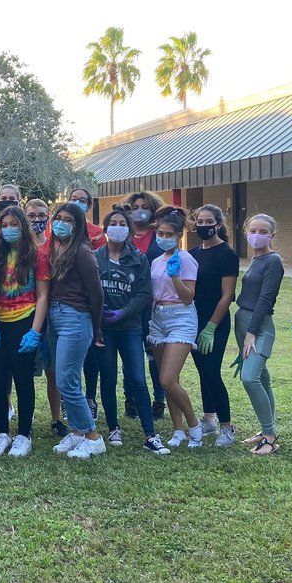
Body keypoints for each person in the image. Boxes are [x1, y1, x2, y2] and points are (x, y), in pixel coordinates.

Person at [94, 207, 169, 456]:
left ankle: (150, 434)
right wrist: (97, 318)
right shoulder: (95, 257)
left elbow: (143, 293)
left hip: (129, 328)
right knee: (107, 379)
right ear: (105, 229)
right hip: (104, 329)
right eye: (113, 223)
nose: (118, 226)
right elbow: (88, 291)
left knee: (137, 378)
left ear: (128, 229)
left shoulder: (139, 258)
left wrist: (123, 312)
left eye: (122, 223)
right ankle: (113, 427)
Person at [0, 205, 48, 458]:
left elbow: (43, 296)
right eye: (5, 225)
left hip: (24, 321)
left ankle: (23, 434)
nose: (9, 230)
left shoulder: (37, 256)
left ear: (23, 226)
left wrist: (35, 331)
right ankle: (1, 432)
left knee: (23, 379)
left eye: (14, 225)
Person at [47, 203, 107, 460]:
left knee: (66, 380)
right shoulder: (60, 249)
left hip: (76, 318)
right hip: (57, 317)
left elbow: (97, 294)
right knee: (70, 380)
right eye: (58, 218)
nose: (61, 223)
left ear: (77, 224)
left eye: (67, 219)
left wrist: (97, 329)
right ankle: (78, 431)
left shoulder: (83, 253)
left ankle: (93, 437)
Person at [147, 206, 203, 449]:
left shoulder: (187, 259)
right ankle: (177, 429)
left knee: (169, 379)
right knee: (165, 379)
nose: (163, 238)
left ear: (179, 235)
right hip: (157, 317)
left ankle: (194, 426)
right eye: (160, 233)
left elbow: (188, 296)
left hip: (180, 316)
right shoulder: (156, 261)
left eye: (169, 234)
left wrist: (175, 276)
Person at [190, 204, 240, 448]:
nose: (204, 225)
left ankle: (227, 426)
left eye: (209, 221)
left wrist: (211, 327)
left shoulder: (227, 254)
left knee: (211, 371)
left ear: (218, 225)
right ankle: (208, 419)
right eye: (200, 221)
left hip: (215, 322)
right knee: (202, 370)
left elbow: (227, 295)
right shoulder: (192, 253)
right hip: (193, 320)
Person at [234, 214, 283, 456]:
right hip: (243, 321)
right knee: (262, 378)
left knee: (249, 378)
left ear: (272, 236)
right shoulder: (256, 259)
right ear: (246, 232)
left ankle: (270, 437)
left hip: (258, 325)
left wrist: (251, 332)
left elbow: (266, 299)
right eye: (253, 230)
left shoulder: (273, 261)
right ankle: (267, 431)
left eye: (263, 231)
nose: (257, 235)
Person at [25, 199, 66, 437]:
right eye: (31, 215)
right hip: (23, 314)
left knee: (53, 370)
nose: (36, 220)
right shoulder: (20, 247)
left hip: (52, 316)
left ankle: (55, 418)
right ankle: (22, 413)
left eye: (41, 215)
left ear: (48, 217)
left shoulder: (55, 247)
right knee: (22, 371)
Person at [126, 190, 166, 420]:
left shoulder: (159, 236)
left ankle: (159, 399)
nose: (140, 210)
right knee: (131, 354)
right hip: (127, 304)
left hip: (154, 305)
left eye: (145, 206)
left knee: (155, 354)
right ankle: (130, 398)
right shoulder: (123, 235)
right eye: (135, 206)